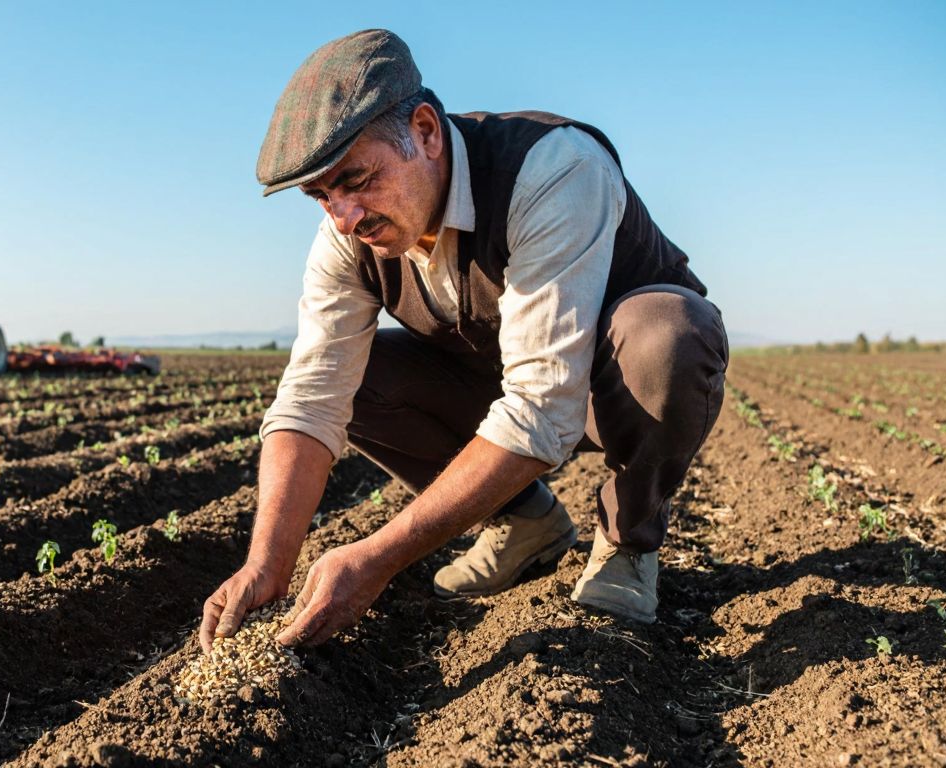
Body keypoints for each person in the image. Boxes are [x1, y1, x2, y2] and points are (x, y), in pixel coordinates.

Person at [199, 29, 728, 651]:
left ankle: (628, 541)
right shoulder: (345, 238)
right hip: (499, 379)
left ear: (424, 131)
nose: (343, 216)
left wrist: (378, 557)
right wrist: (269, 561)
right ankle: (523, 521)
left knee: (667, 336)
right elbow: (312, 397)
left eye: (358, 179)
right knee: (355, 377)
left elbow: (541, 404)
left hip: (616, 378)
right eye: (321, 196)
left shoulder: (553, 169)